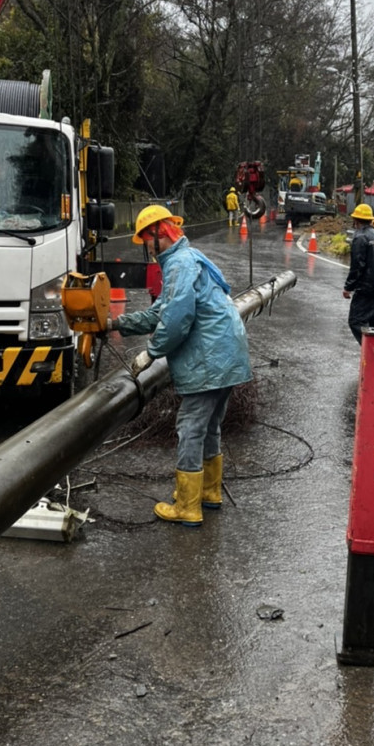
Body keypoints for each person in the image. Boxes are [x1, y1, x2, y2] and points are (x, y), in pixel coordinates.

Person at [109, 205, 252, 526]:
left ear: (160, 234)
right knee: (210, 425)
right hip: (228, 356)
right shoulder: (188, 259)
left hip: (211, 359)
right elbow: (159, 312)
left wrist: (151, 353)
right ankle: (209, 492)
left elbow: (175, 319)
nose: (146, 247)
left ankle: (188, 506)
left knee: (190, 426)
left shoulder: (178, 265)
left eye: (147, 239)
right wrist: (114, 324)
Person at [342, 203, 374, 343]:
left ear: (356, 220)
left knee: (356, 321)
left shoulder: (360, 237)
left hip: (366, 289)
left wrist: (348, 287)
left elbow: (357, 266)